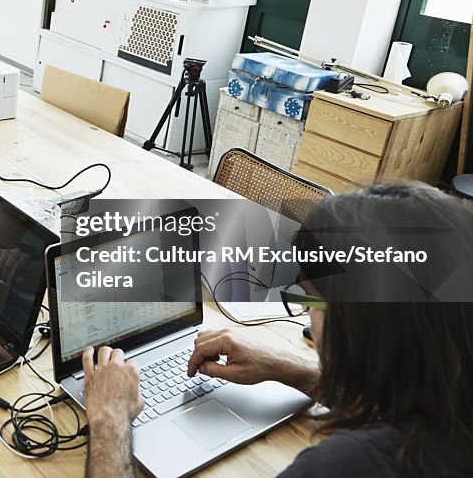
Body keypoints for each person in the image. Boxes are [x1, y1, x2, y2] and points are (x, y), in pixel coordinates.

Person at [84, 182, 473, 477]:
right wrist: (294, 368)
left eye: (311, 300)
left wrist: (110, 419)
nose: (308, 322)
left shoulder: (345, 465)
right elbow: (404, 398)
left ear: (360, 323)